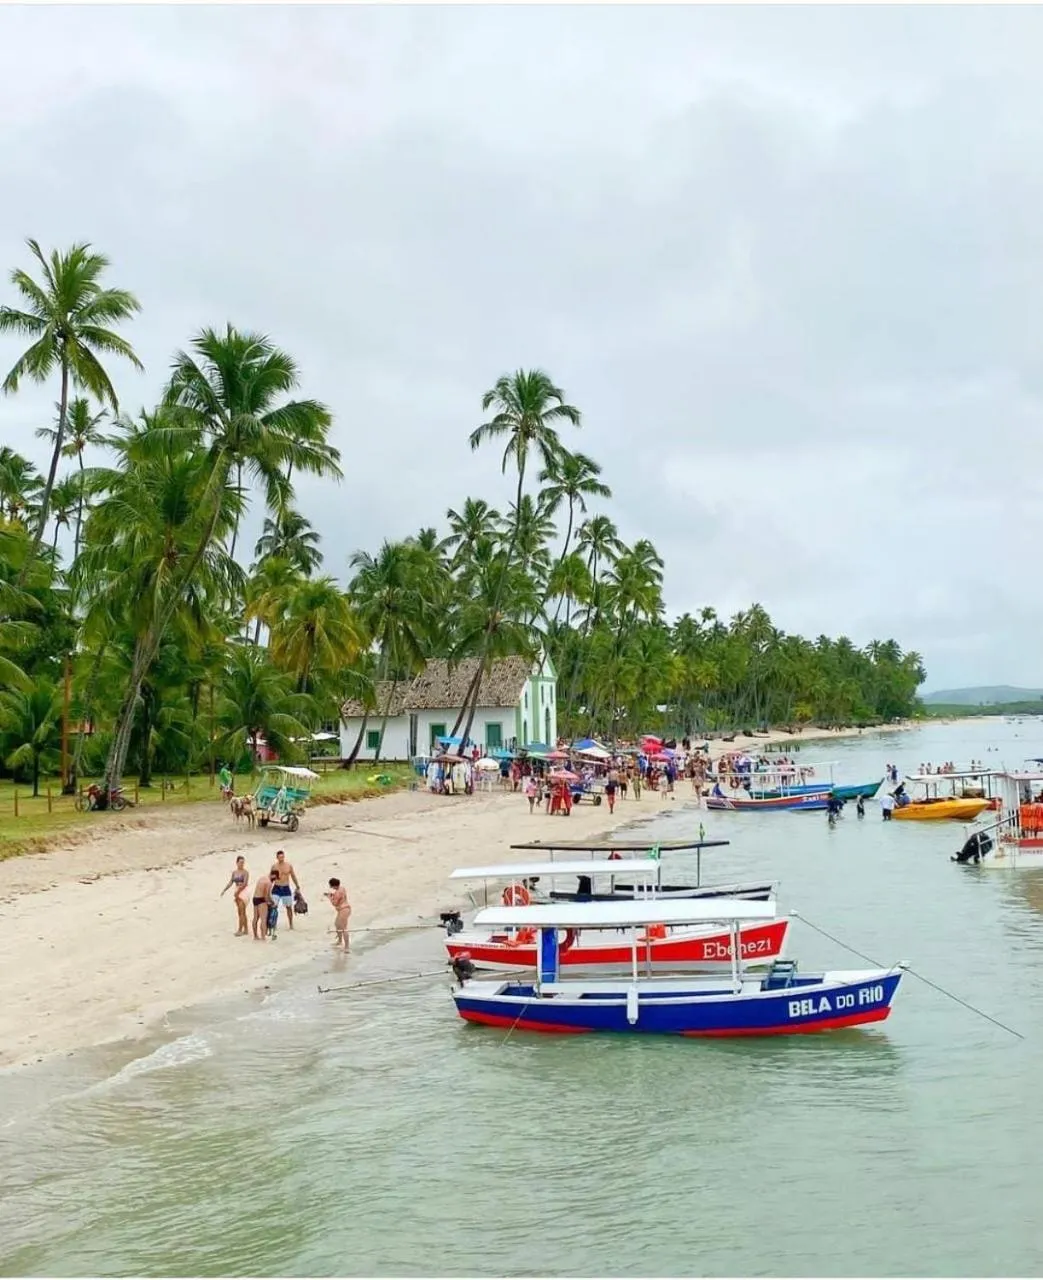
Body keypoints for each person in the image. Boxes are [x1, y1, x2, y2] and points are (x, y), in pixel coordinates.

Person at [270, 850, 301, 929]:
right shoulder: (274, 866)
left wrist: (297, 885)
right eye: (280, 857)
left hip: (285, 888)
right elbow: (271, 878)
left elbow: (293, 876)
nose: (282, 859)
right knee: (274, 906)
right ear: (277, 858)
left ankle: (291, 924)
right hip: (276, 887)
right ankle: (274, 924)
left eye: (283, 857)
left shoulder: (288, 866)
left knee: (288, 907)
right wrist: (268, 888)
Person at [221, 855, 250, 936]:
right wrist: (224, 890)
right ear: (237, 863)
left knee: (241, 911)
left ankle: (240, 930)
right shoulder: (234, 872)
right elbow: (231, 882)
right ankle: (246, 929)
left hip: (243, 892)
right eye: (240, 862)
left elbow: (245, 884)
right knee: (241, 912)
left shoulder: (245, 872)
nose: (242, 864)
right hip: (237, 890)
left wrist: (237, 893)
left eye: (243, 863)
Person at [325, 877, 351, 951]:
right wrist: (332, 895)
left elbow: (335, 903)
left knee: (343, 928)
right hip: (345, 909)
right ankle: (339, 941)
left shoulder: (337, 892)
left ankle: (347, 947)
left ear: (333, 885)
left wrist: (330, 898)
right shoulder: (342, 888)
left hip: (344, 910)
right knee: (337, 924)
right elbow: (339, 897)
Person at [251, 869, 274, 940]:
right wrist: (272, 903)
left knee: (255, 918)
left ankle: (255, 936)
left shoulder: (261, 878)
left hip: (255, 898)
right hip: (261, 900)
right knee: (263, 919)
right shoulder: (269, 882)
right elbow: (267, 896)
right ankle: (263, 937)